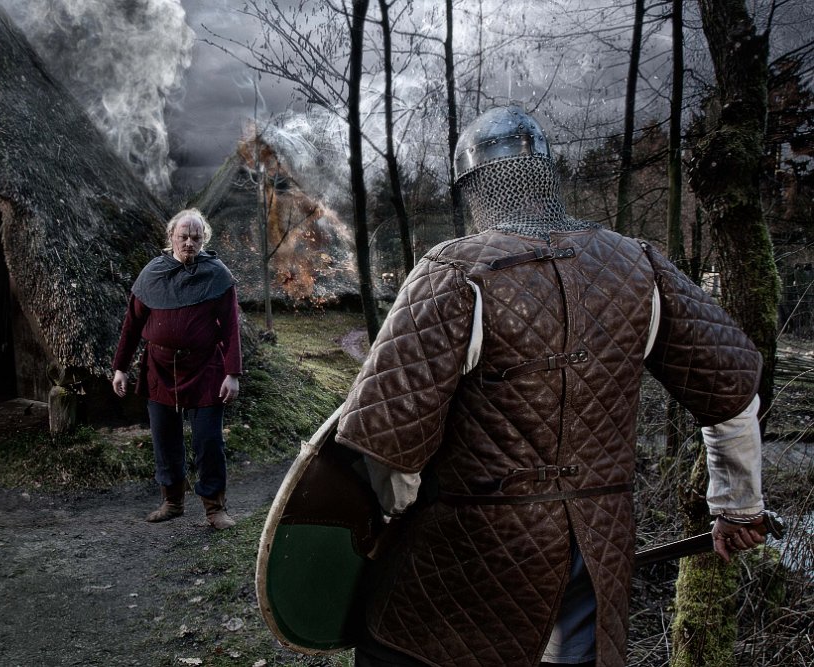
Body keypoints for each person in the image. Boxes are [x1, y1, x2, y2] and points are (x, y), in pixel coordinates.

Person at [334, 105, 767, 667]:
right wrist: (737, 505)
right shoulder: (638, 264)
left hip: (469, 553)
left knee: (397, 647)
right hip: (598, 545)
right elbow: (732, 395)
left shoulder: (452, 271)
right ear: (545, 177)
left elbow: (390, 443)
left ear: (476, 188)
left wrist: (394, 516)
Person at [112, 208, 242, 530]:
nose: (189, 243)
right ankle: (172, 502)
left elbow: (230, 327)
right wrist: (120, 368)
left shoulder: (217, 274)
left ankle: (215, 508)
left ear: (204, 239)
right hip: (159, 368)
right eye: (183, 236)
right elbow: (132, 325)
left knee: (208, 441)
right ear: (171, 236)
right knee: (164, 438)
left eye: (196, 237)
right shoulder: (152, 273)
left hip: (205, 368)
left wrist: (232, 374)